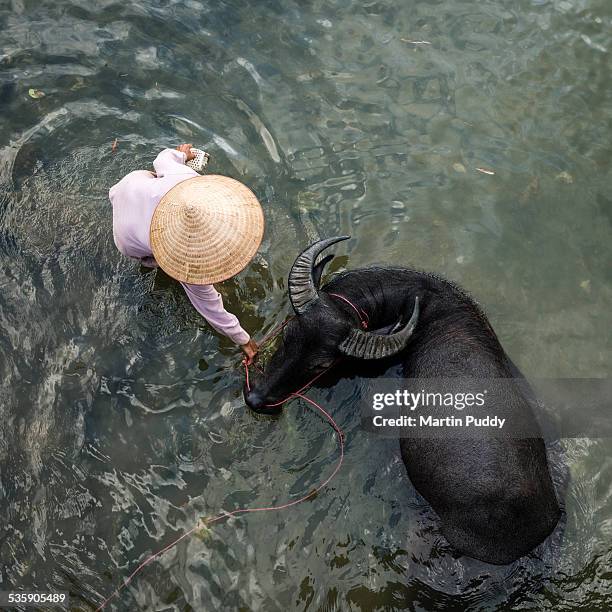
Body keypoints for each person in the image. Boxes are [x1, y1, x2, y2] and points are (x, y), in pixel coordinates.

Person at [109, 143, 262, 363]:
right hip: (127, 239)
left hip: (127, 188)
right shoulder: (185, 262)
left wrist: (181, 153)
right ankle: (153, 261)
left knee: (151, 245)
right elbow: (211, 310)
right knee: (157, 262)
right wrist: (244, 341)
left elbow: (161, 160)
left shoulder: (187, 180)